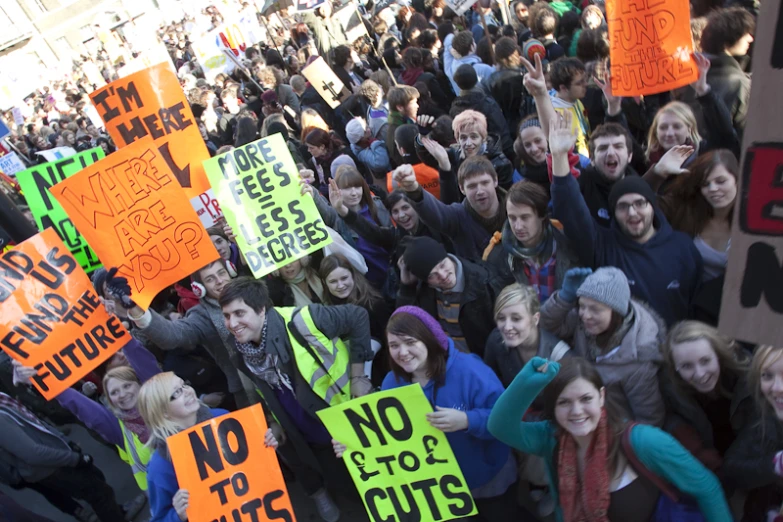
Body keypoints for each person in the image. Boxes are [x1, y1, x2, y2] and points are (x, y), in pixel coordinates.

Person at [488, 357, 734, 522]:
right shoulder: (551, 438)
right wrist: (529, 379)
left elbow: (707, 488)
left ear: (602, 397)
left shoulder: (643, 441)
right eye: (564, 402)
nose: (576, 412)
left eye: (586, 399)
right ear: (553, 409)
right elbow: (499, 426)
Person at [334, 306, 521, 522]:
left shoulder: (471, 371)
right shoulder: (390, 384)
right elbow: (385, 438)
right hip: (440, 490)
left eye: (410, 342)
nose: (402, 352)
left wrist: (468, 420)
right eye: (394, 345)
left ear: (430, 339)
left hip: (488, 481)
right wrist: (351, 445)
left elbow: (508, 422)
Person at [218, 277, 374, 522]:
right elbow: (269, 391)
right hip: (307, 432)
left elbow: (358, 316)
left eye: (239, 313)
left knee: (374, 485)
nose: (232, 323)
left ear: (261, 309)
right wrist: (276, 423)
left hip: (344, 418)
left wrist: (358, 377)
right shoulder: (242, 351)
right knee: (348, 489)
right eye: (227, 316)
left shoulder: (304, 319)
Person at [550, 112, 703, 326]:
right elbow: (569, 206)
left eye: (640, 204)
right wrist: (558, 156)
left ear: (653, 206)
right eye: (623, 207)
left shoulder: (683, 247)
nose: (632, 213)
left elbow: (698, 307)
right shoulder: (604, 246)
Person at [105, 261, 256, 408]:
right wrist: (134, 306)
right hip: (249, 393)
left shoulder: (253, 291)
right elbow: (172, 336)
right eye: (210, 279)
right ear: (199, 288)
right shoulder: (201, 316)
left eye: (221, 273)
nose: (219, 281)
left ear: (230, 270)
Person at [137, 372, 279, 522]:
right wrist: (178, 515)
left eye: (184, 384)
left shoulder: (223, 418)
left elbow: (254, 468)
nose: (187, 391)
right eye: (177, 392)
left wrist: (266, 448)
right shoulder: (161, 465)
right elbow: (159, 518)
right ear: (163, 412)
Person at [540, 267, 667, 426]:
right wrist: (564, 298)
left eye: (595, 309)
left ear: (616, 313)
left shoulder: (639, 360)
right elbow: (545, 325)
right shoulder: (583, 323)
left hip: (615, 430)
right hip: (580, 417)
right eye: (582, 306)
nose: (585, 315)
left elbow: (649, 418)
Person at [0, 391, 127, 521]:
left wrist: (66, 443)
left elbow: (36, 424)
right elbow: (32, 453)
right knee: (100, 494)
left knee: (98, 483)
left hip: (57, 458)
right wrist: (74, 459)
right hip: (51, 468)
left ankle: (118, 513)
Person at [661, 320, 752, 472]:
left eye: (705, 361)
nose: (700, 374)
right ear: (674, 367)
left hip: (746, 460)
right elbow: (667, 415)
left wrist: (730, 466)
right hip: (710, 463)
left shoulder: (748, 377)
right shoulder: (670, 386)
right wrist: (694, 446)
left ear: (718, 355)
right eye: (686, 366)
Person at [397, 236, 500, 357]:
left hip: (482, 361)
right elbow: (405, 324)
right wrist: (407, 288)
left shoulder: (483, 283)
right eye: (432, 275)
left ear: (448, 257)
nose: (443, 275)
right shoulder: (425, 289)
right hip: (447, 360)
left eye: (442, 265)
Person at [393, 155, 506, 261]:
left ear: (495, 180)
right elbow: (435, 213)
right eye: (472, 186)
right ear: (462, 189)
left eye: (485, 183)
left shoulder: (516, 205)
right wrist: (413, 189)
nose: (480, 191)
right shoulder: (457, 217)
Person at [485, 180, 580, 304]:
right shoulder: (497, 256)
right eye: (512, 218)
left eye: (525, 217)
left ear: (542, 216)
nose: (518, 226)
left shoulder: (568, 245)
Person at [485, 283, 570, 388]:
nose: (507, 327)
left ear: (535, 319)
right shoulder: (496, 340)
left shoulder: (560, 356)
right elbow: (489, 386)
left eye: (516, 319)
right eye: (501, 318)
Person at [700, 7, 755, 137]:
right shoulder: (740, 83)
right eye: (744, 34)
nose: (750, 39)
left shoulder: (694, 76)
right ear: (726, 42)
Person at [439, 108, 513, 192]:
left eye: (473, 137)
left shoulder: (501, 164)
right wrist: (423, 136)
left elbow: (503, 196)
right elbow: (429, 156)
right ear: (457, 139)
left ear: (483, 138)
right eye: (463, 138)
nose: (468, 143)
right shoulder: (454, 155)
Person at [549, 58, 591, 158]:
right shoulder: (555, 114)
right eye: (579, 83)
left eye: (585, 80)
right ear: (563, 88)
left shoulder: (576, 100)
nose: (586, 84)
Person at [386, 85, 420, 167]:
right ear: (400, 107)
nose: (417, 106)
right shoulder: (397, 133)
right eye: (413, 103)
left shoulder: (408, 120)